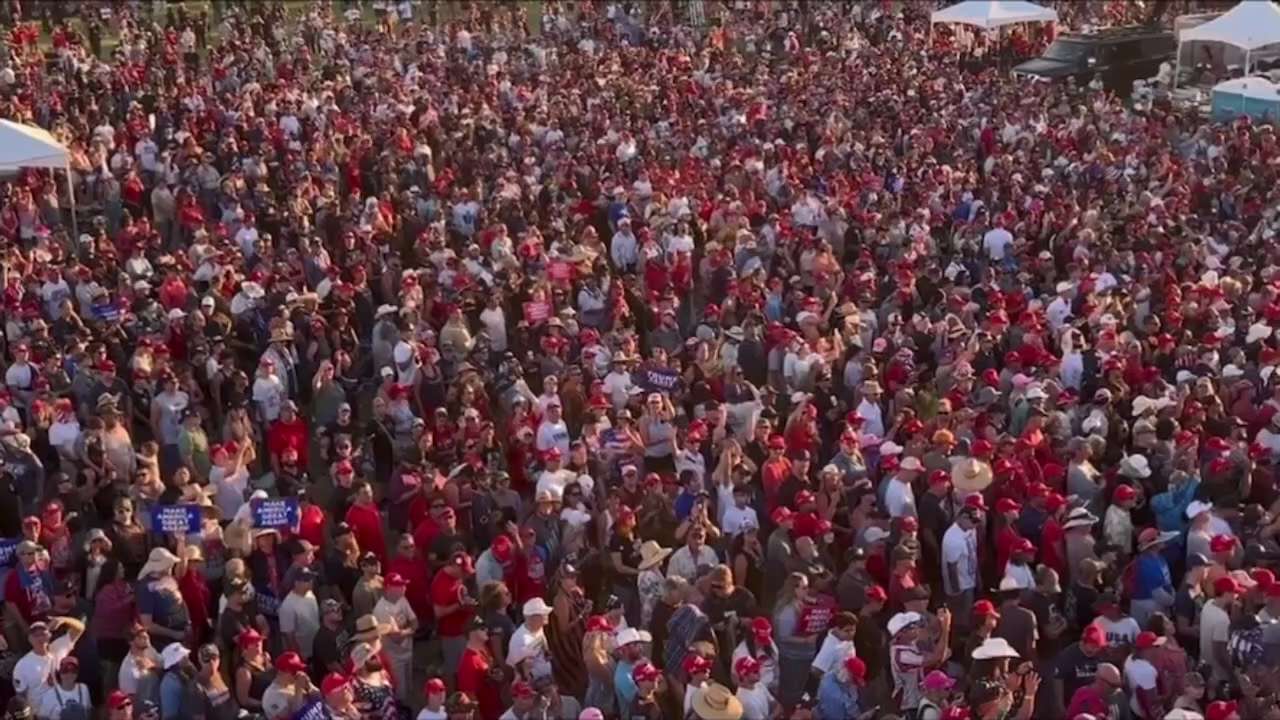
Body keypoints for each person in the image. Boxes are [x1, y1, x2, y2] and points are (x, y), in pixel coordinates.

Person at [13, 617, 86, 710]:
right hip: (39, 714)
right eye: (36, 635)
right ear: (29, 639)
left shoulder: (57, 648)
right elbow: (20, 697)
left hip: (61, 709)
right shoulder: (22, 665)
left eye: (43, 634)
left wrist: (62, 620)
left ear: (49, 635)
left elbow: (80, 628)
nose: (40, 638)